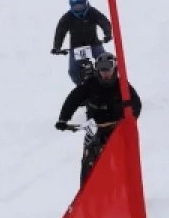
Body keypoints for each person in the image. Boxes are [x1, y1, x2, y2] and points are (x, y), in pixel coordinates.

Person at [55, 54, 141, 187]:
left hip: (117, 129)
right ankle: (87, 190)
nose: (105, 73)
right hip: (94, 128)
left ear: (115, 69)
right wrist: (63, 119)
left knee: (121, 161)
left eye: (108, 69)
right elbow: (73, 99)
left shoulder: (122, 86)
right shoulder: (90, 84)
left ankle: (124, 188)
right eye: (102, 70)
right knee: (88, 160)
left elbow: (136, 104)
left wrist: (130, 118)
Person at [52, 0, 113, 83]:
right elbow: (60, 31)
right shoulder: (68, 17)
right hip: (76, 48)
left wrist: (108, 34)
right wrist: (57, 47)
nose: (79, 9)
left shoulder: (92, 12)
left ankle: (110, 82)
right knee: (73, 71)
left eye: (81, 6)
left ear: (86, 3)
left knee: (105, 63)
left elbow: (104, 22)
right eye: (76, 7)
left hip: (94, 44)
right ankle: (80, 88)